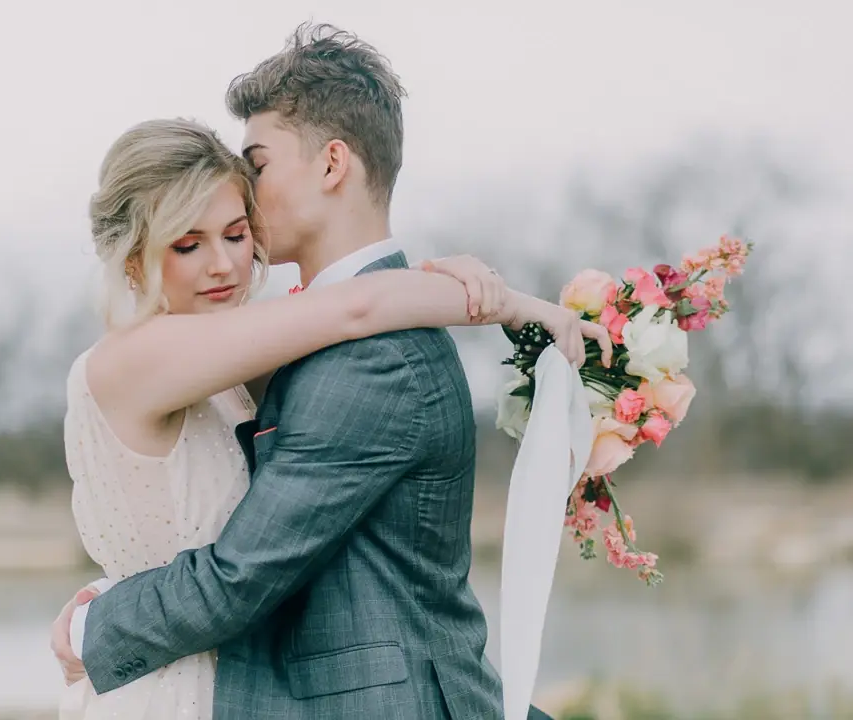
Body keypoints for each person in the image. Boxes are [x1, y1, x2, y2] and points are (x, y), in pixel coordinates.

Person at [53, 24, 610, 720]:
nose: (232, 246)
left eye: (255, 169)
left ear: (331, 164)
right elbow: (356, 306)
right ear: (137, 256)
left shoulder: (368, 357)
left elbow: (244, 574)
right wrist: (496, 298)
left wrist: (94, 624)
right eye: (189, 242)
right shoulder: (198, 350)